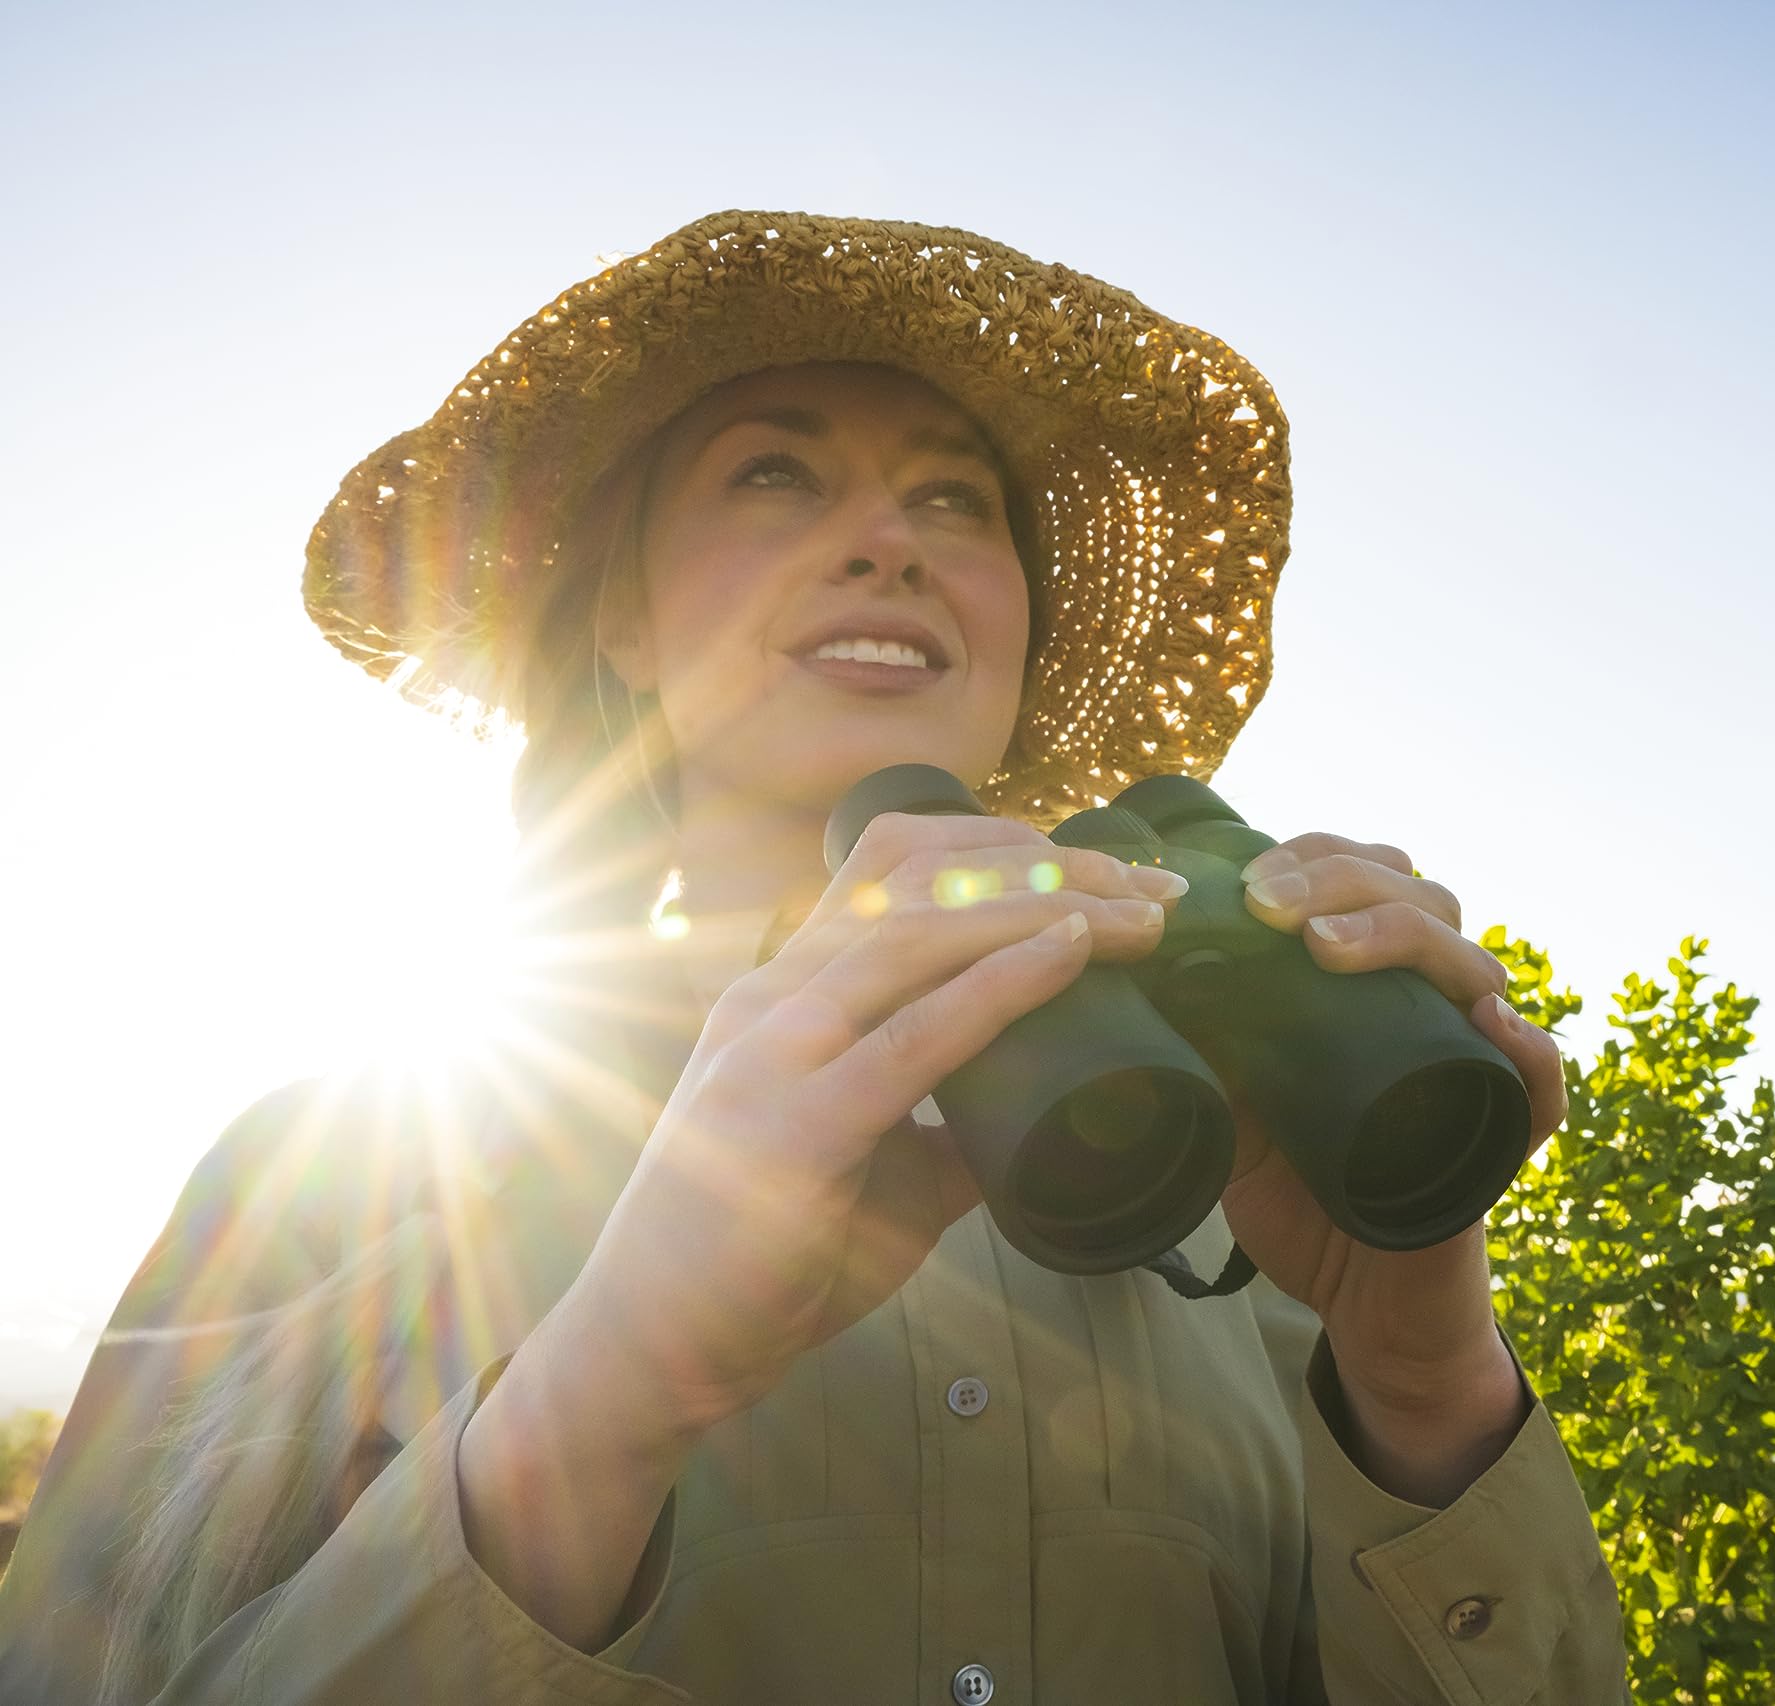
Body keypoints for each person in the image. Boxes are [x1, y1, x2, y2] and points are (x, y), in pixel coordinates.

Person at [0, 212, 1628, 1704]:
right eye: (775, 474)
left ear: (1016, 648)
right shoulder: (330, 1175)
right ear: (623, 623)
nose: (888, 541)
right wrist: (594, 1411)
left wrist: (1423, 1384)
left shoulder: (1239, 1205)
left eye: (954, 501)